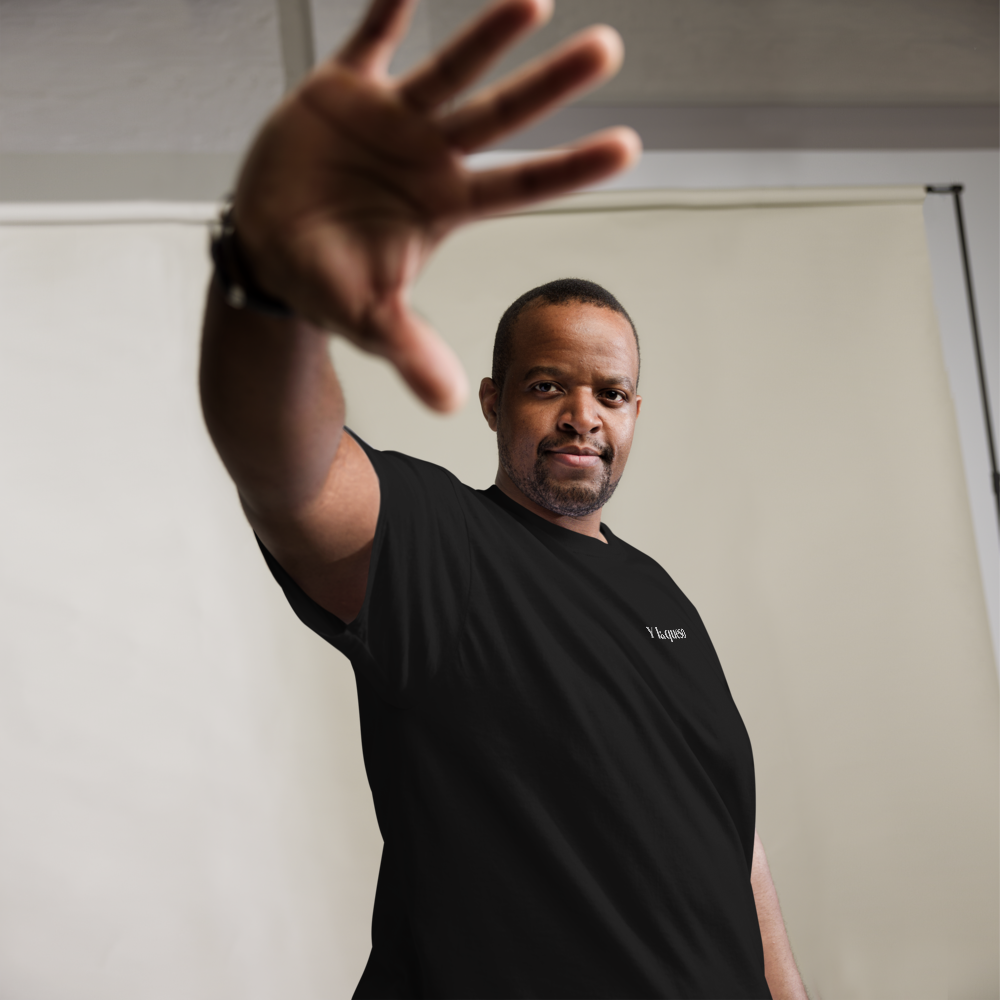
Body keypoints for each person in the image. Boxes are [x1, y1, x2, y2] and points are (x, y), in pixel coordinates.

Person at [199, 0, 808, 995]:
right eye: (545, 385)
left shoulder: (662, 598)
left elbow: (732, 841)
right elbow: (290, 474)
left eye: (609, 393)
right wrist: (270, 282)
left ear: (635, 412)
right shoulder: (449, 548)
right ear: (492, 402)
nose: (582, 414)